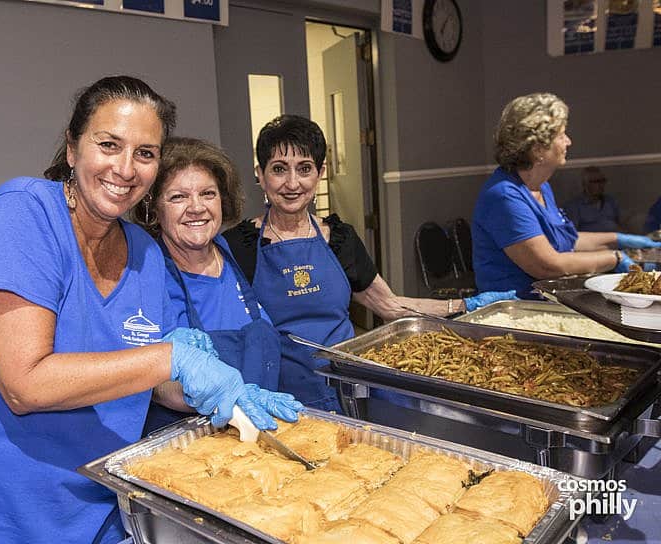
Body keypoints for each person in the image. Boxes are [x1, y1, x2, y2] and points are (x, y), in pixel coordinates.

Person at [0, 76, 300, 544]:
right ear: (71, 148)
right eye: (108, 144)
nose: (125, 168)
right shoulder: (23, 212)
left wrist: (222, 392)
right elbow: (25, 383)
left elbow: (150, 383)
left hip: (86, 507)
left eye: (145, 153)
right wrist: (171, 357)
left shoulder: (143, 253)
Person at [223, 115, 515, 412]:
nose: (293, 183)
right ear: (260, 174)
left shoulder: (340, 238)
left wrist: (467, 307)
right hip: (277, 398)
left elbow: (390, 307)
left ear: (321, 172)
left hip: (347, 390)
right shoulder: (237, 246)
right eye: (279, 169)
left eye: (305, 168)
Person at [133, 137, 292, 434]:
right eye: (178, 197)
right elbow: (152, 382)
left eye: (208, 194)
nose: (196, 208)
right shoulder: (146, 274)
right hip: (191, 443)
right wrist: (221, 397)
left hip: (260, 427)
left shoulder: (229, 251)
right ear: (154, 208)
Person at [472, 92, 661, 298]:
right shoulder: (504, 197)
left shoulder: (541, 186)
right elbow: (547, 265)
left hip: (548, 298)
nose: (569, 142)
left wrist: (622, 240)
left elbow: (566, 241)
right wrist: (614, 258)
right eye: (561, 136)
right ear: (537, 150)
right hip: (516, 307)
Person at [563, 166, 621, 232]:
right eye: (596, 181)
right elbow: (573, 234)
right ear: (585, 184)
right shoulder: (574, 206)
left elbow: (621, 224)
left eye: (603, 181)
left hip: (614, 240)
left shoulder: (611, 202)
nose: (601, 185)